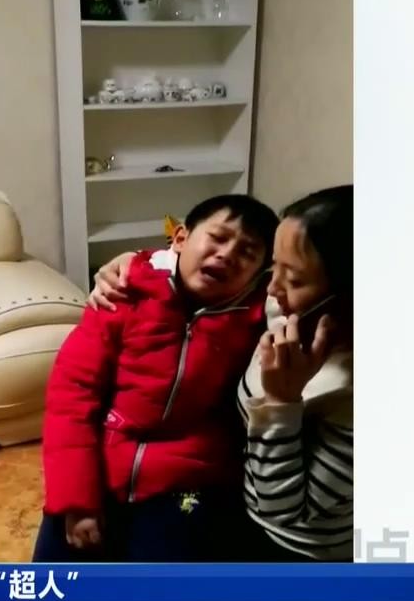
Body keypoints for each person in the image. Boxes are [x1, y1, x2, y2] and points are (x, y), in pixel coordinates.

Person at [89, 186, 353, 562]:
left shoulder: (353, 397)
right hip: (233, 496)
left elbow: (284, 512)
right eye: (273, 266)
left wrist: (282, 404)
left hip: (293, 548)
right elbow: (204, 264)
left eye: (292, 278)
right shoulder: (283, 307)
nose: (270, 287)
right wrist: (140, 264)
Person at [33, 193, 279, 564]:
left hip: (188, 479)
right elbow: (72, 397)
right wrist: (77, 499)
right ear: (180, 239)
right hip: (101, 460)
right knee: (56, 571)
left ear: (261, 271)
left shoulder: (257, 315)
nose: (227, 255)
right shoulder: (122, 294)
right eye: (217, 237)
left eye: (247, 252)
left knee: (163, 576)